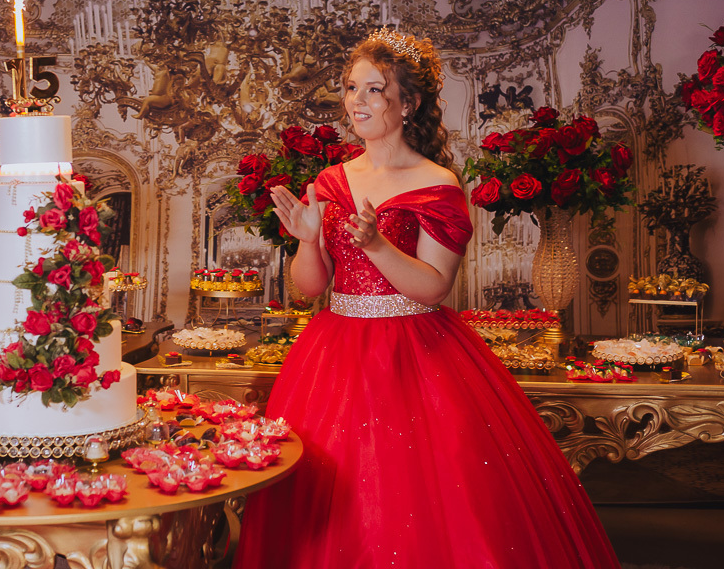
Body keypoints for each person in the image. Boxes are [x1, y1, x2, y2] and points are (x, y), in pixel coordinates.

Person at [235, 29, 620, 568]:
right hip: (334, 351)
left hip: (413, 352)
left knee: (414, 493)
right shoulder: (330, 181)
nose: (356, 101)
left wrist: (376, 245)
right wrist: (306, 240)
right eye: (351, 88)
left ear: (409, 102)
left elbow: (435, 285)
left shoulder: (436, 182)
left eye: (374, 89)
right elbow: (311, 287)